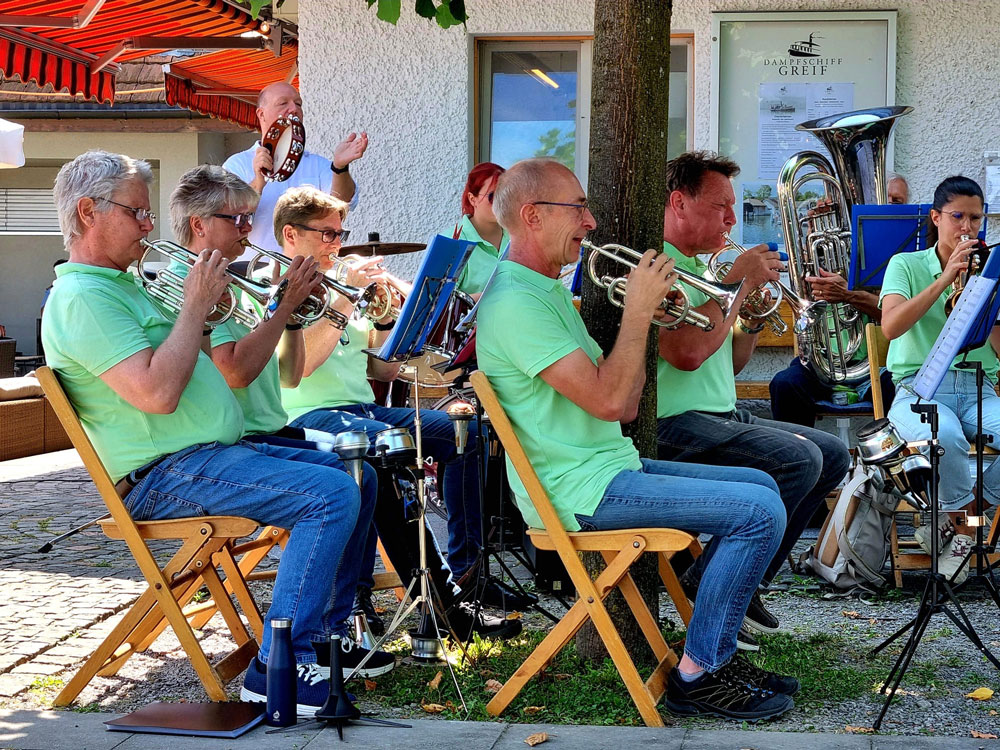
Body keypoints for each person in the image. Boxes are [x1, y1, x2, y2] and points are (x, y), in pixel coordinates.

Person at [42, 150, 390, 718]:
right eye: (137, 213)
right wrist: (196, 308)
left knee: (356, 473)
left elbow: (199, 359)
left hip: (204, 455)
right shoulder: (83, 299)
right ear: (88, 212)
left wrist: (208, 314)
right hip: (163, 472)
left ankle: (327, 638)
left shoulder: (127, 285)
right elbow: (158, 393)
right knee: (329, 495)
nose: (148, 226)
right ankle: (279, 667)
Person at [477, 157, 795, 721]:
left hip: (607, 468)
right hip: (579, 492)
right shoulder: (516, 304)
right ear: (532, 215)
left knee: (763, 486)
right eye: (578, 208)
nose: (591, 222)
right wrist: (640, 314)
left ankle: (712, 646)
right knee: (758, 513)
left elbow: (621, 401)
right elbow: (613, 403)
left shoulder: (545, 290)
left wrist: (652, 315)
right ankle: (700, 673)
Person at [272, 186, 525, 637]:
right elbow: (302, 367)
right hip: (307, 417)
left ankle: (463, 571)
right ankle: (368, 601)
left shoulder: (341, 285)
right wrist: (348, 299)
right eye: (327, 234)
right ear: (291, 235)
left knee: (465, 433)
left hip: (361, 408)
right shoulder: (277, 288)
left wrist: (390, 319)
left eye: (340, 233)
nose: (337, 244)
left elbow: (384, 370)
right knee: (380, 460)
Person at [653, 152, 851, 641]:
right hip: (671, 423)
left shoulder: (703, 266)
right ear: (679, 203)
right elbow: (685, 355)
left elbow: (732, 362)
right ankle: (715, 584)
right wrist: (736, 283)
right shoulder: (659, 266)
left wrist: (754, 315)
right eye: (720, 206)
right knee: (800, 460)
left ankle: (740, 580)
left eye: (732, 207)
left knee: (832, 454)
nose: (731, 219)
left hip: (719, 414)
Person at [880, 175, 999, 583]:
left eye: (975, 219)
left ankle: (961, 525)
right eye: (957, 217)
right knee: (944, 435)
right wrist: (946, 278)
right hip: (919, 388)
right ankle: (962, 528)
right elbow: (891, 327)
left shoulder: (990, 271)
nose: (967, 227)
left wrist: (992, 300)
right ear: (936, 217)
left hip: (978, 387)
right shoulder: (906, 264)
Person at [768, 174, 910, 427]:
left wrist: (849, 295)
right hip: (821, 364)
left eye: (896, 201)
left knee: (904, 392)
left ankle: (892, 453)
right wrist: (811, 241)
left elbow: (896, 317)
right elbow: (805, 300)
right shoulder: (833, 243)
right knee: (785, 384)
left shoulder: (908, 257)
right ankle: (800, 451)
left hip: (879, 366)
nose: (885, 205)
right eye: (880, 198)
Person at [223, 82, 368, 258]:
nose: (294, 109)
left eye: (298, 103)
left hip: (308, 269)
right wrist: (258, 183)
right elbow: (228, 219)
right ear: (261, 114)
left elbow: (342, 203)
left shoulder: (316, 164)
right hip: (254, 268)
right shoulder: (238, 164)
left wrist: (340, 167)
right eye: (283, 103)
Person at [451, 162, 508, 297]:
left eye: (505, 195)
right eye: (492, 196)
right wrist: (500, 296)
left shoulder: (518, 235)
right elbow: (441, 301)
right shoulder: (453, 242)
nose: (501, 203)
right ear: (472, 199)